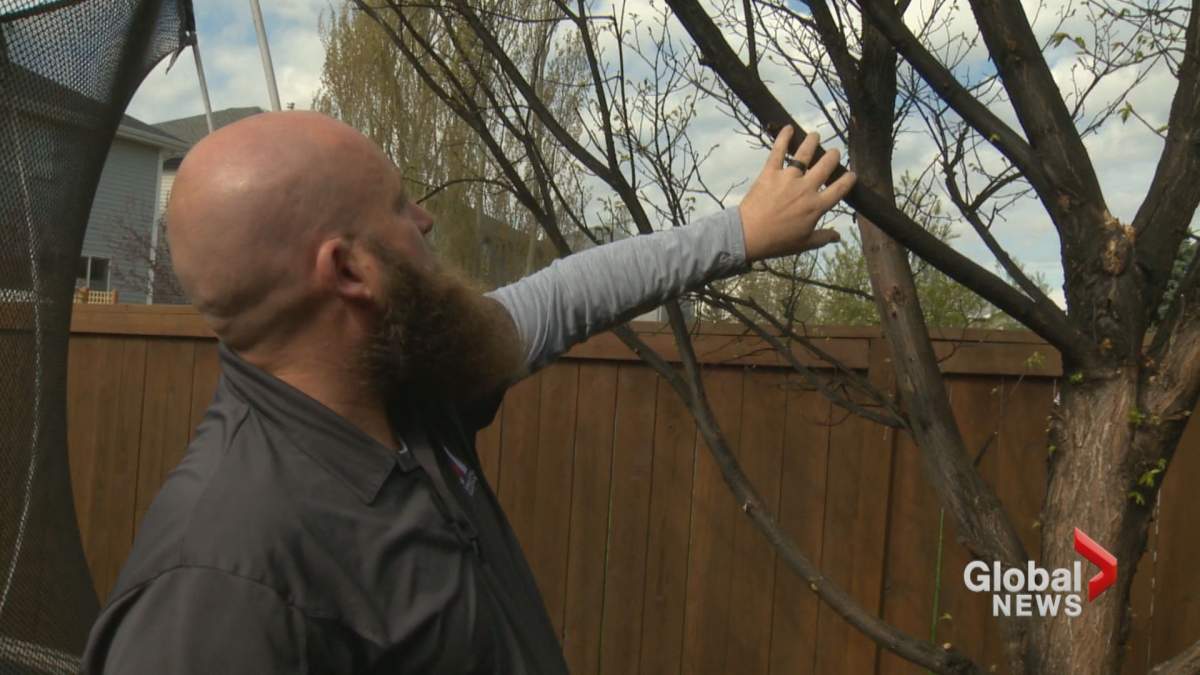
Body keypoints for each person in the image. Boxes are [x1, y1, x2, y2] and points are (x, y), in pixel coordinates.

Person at [80, 111, 854, 674]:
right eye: (398, 207)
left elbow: (566, 294)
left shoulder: (406, 384)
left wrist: (741, 231)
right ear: (351, 271)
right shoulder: (216, 586)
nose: (424, 219)